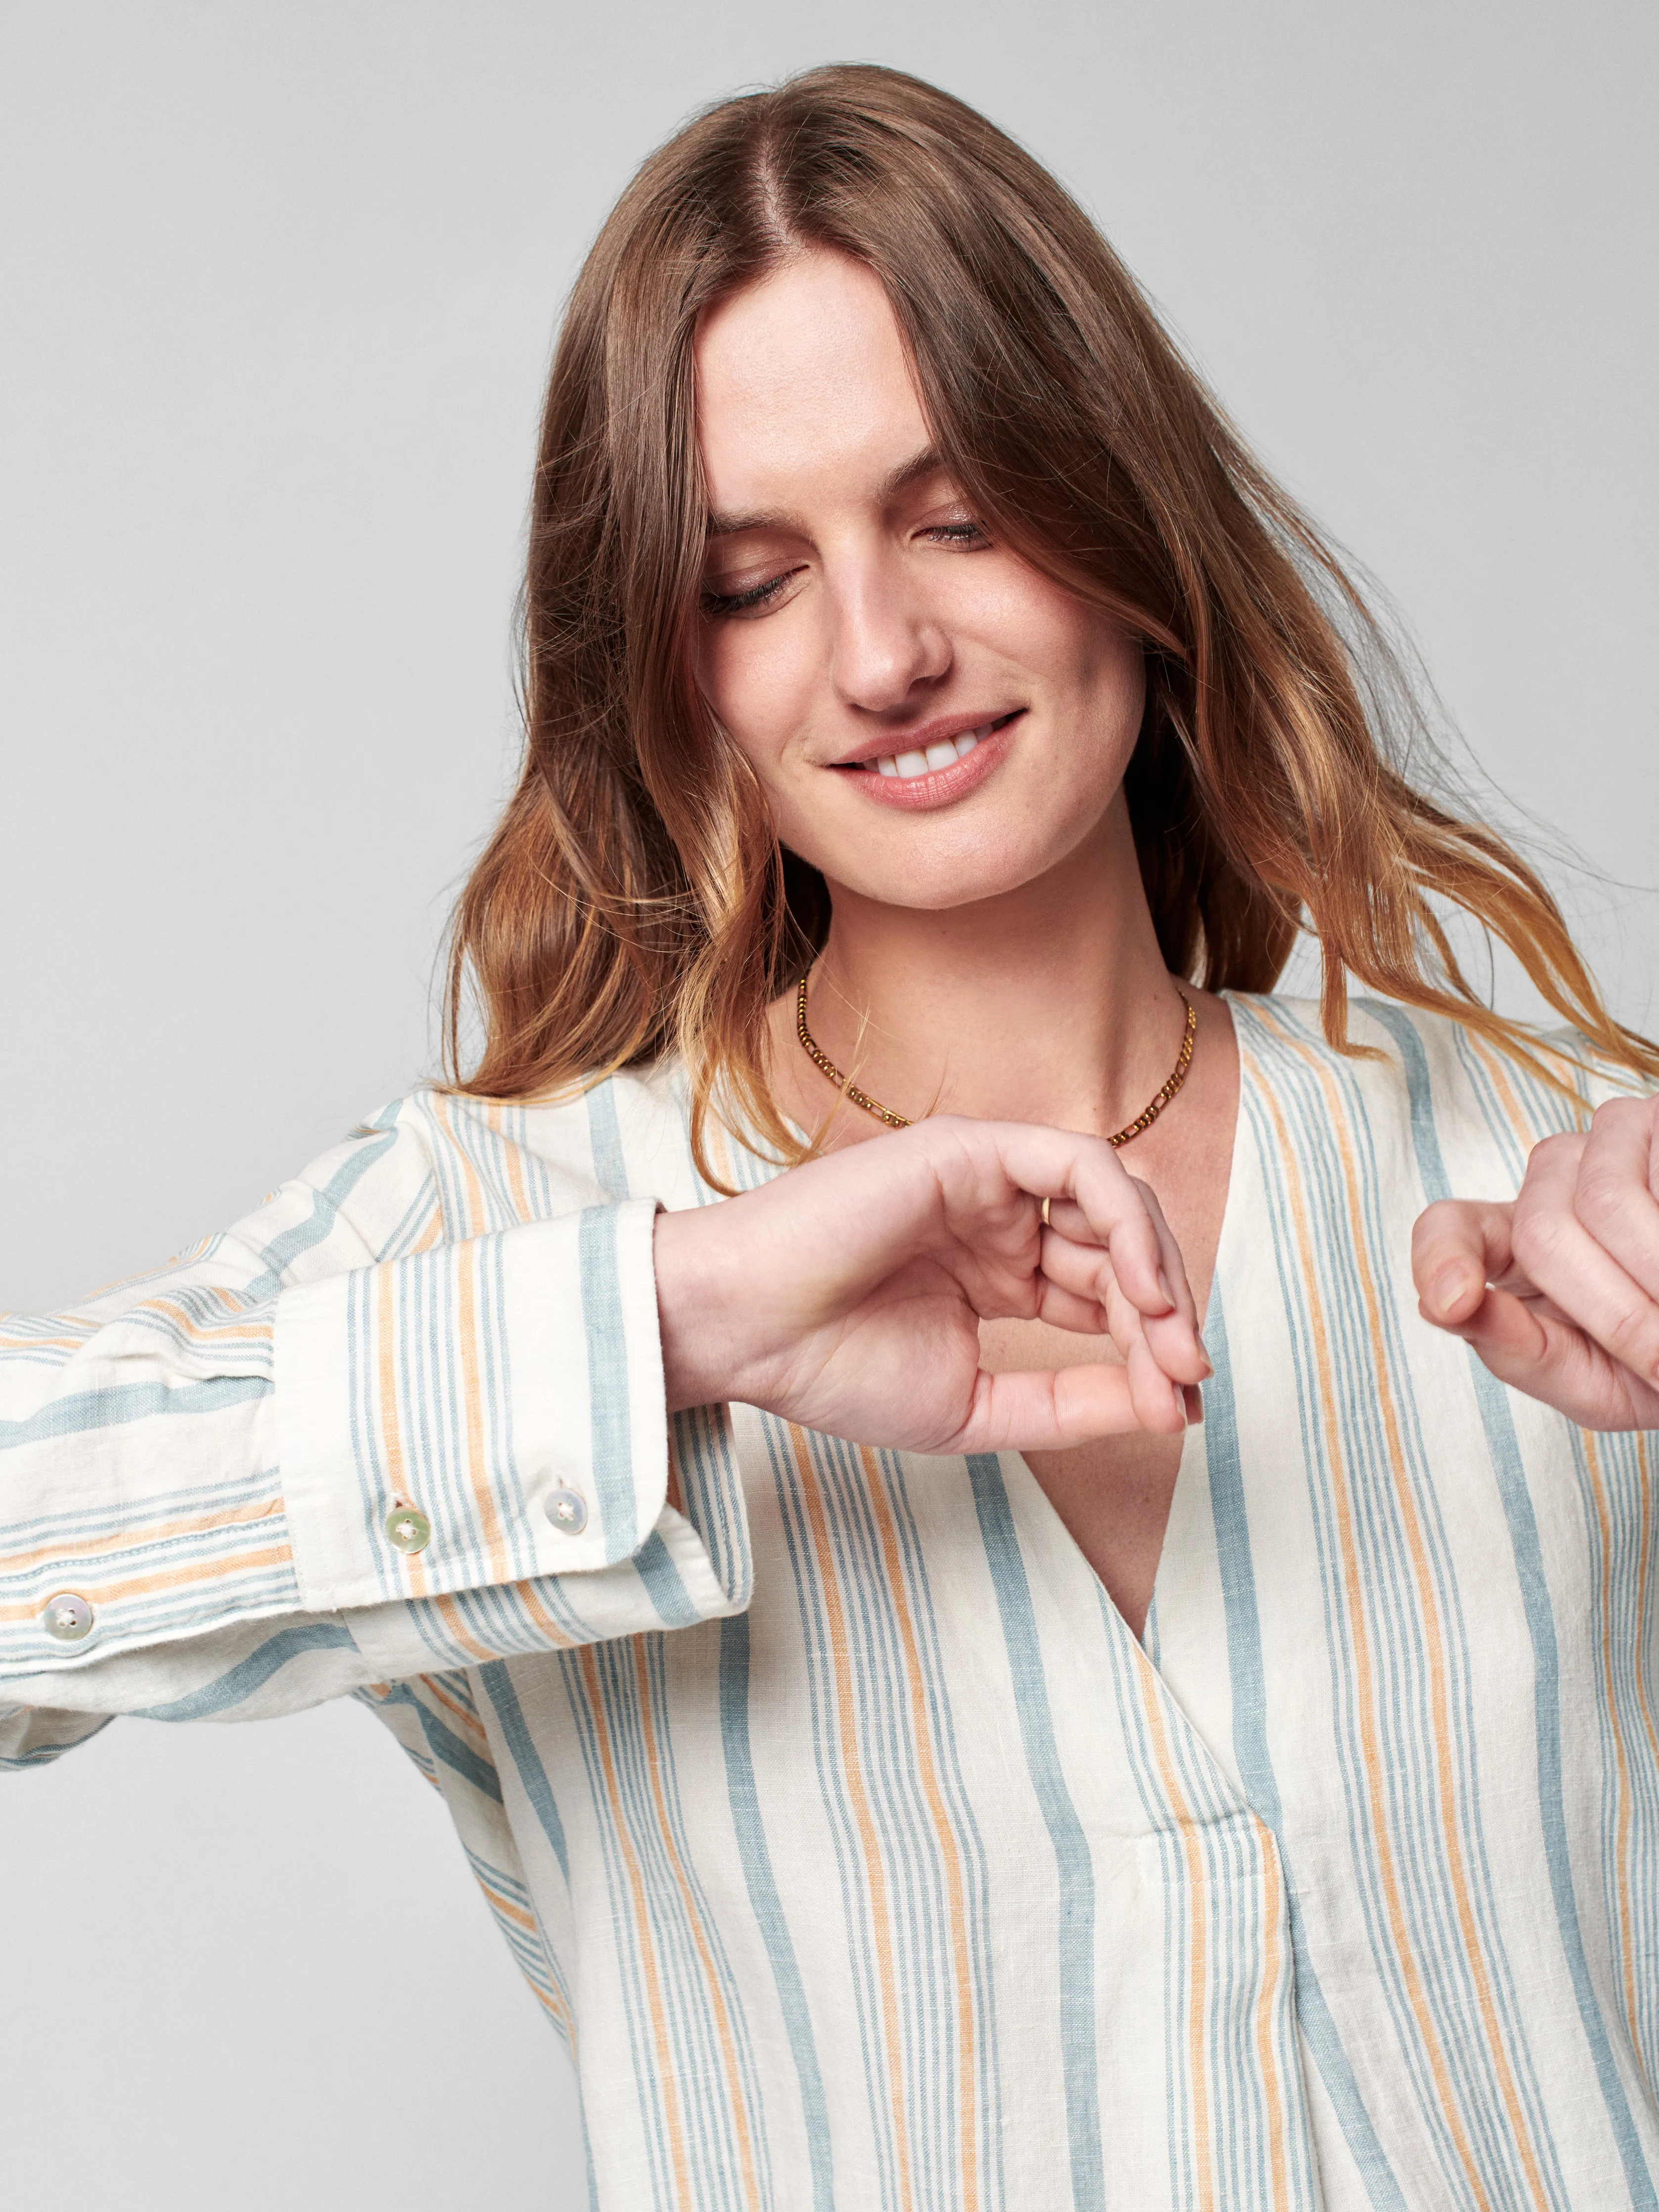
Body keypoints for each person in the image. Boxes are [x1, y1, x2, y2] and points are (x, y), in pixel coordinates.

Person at [5, 61, 1659, 2212]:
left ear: (1124, 529)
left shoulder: (1538, 1185)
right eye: (751, 579)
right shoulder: (521, 1226)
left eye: (958, 512)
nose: (881, 653)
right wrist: (664, 1329)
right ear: (664, 665)